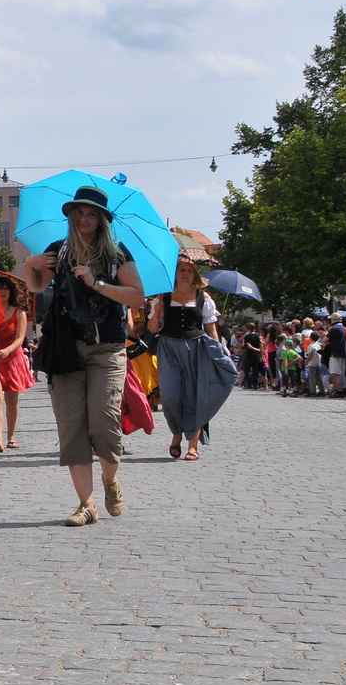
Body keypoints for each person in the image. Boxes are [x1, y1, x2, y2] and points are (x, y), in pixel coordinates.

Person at [23, 185, 145, 527]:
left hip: (106, 349)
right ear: (72, 215)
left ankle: (110, 481)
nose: (85, 219)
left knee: (105, 425)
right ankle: (86, 504)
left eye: (92, 214)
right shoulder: (58, 251)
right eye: (80, 212)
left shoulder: (116, 254)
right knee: (72, 428)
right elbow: (33, 285)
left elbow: (136, 296)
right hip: (66, 350)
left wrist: (97, 284)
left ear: (102, 220)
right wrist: (29, 263)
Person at [147, 257, 224, 461]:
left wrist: (216, 352)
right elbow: (152, 329)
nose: (185, 274)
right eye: (181, 270)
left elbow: (210, 328)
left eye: (189, 271)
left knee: (194, 396)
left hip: (196, 348)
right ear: (175, 274)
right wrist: (156, 314)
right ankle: (176, 434)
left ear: (195, 275)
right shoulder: (163, 297)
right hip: (168, 347)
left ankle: (192, 445)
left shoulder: (203, 297)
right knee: (171, 396)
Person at [0, 272, 33, 452]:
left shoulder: (19, 312)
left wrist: (7, 350)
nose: (2, 292)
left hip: (12, 359)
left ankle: (11, 435)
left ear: (11, 291)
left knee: (12, 400)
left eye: (5, 288)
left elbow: (21, 339)